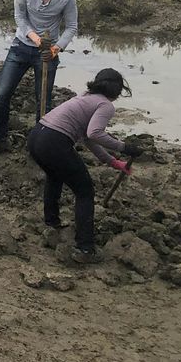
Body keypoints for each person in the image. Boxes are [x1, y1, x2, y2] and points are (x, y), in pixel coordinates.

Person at [27, 68, 143, 263]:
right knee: (85, 191)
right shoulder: (106, 105)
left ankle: (51, 223)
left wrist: (113, 162)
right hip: (54, 141)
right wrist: (125, 147)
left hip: (37, 136)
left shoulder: (85, 97)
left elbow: (88, 138)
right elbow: (95, 133)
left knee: (55, 176)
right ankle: (85, 249)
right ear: (116, 90)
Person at [0, 0, 79, 155]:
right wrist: (34, 37)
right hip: (21, 46)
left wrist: (55, 49)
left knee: (43, 104)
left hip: (47, 53)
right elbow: (19, 16)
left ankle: (39, 148)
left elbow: (71, 27)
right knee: (1, 96)